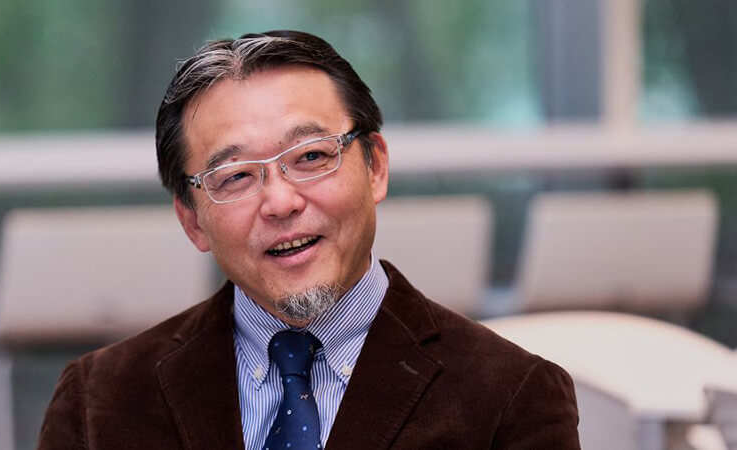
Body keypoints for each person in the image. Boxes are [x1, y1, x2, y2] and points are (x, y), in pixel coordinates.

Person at [37, 30, 579, 449]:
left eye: (312, 157)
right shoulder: (99, 400)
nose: (280, 202)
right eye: (235, 177)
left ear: (375, 167)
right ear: (192, 220)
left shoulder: (511, 395)